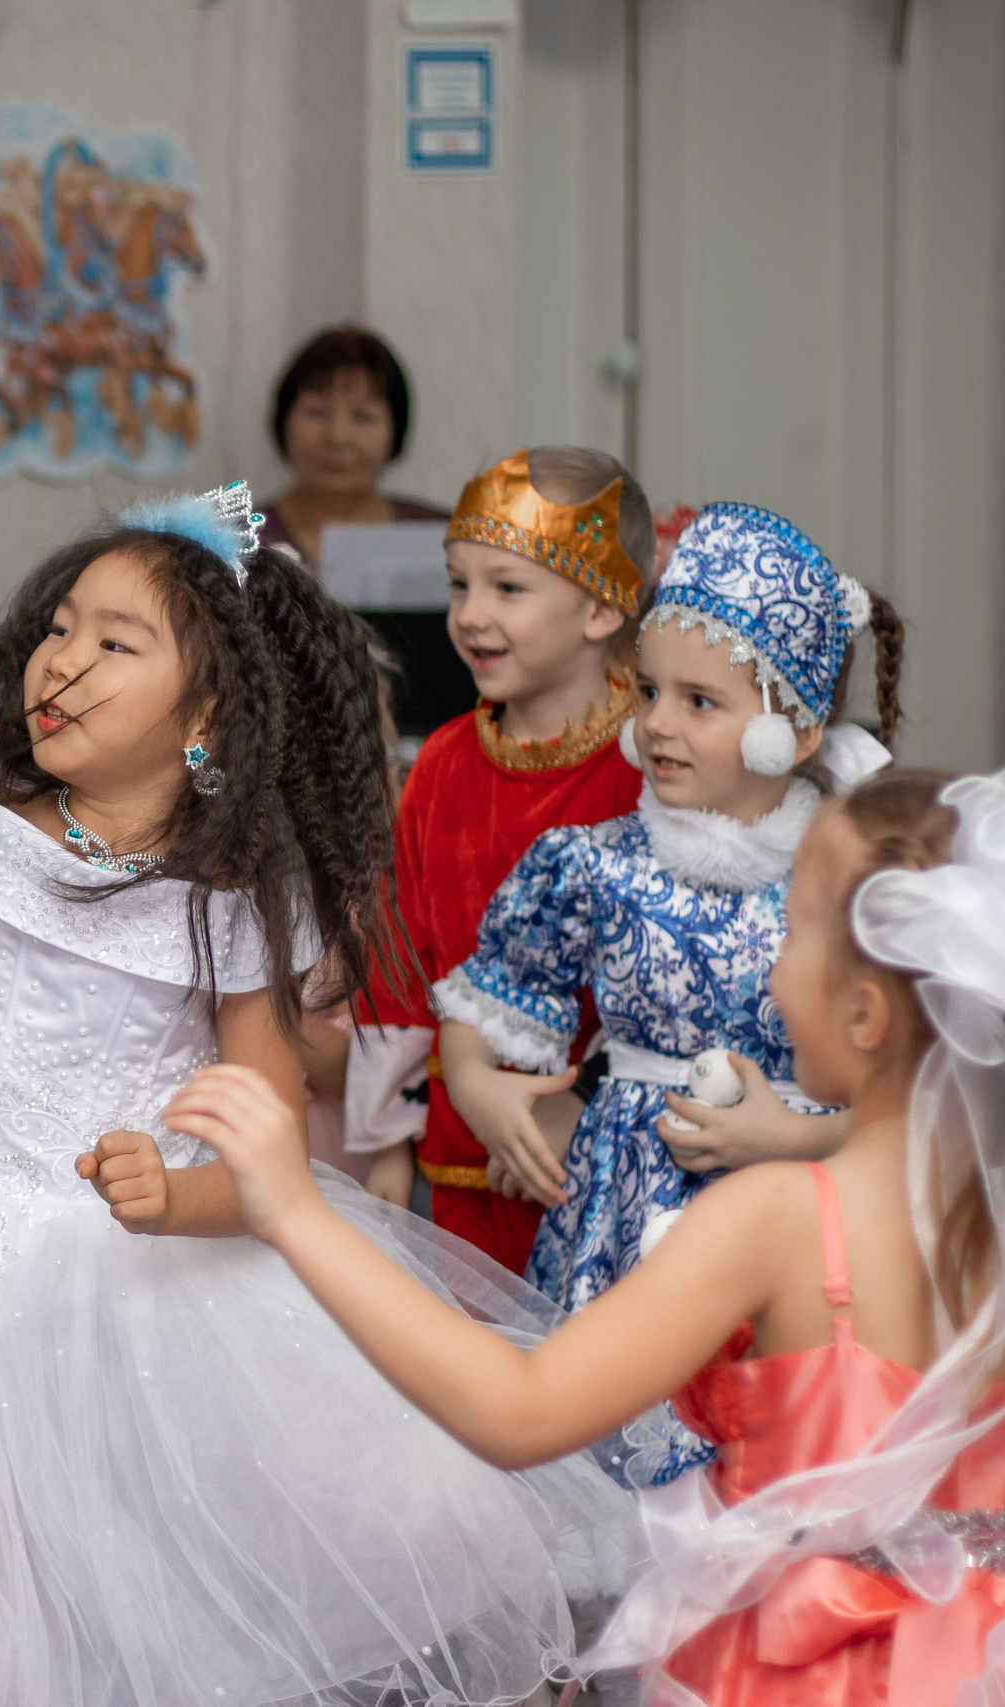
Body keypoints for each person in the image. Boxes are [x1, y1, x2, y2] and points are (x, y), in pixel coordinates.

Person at [0, 486, 639, 1707]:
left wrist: (176, 1197)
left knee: (195, 1564)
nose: (63, 657)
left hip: (134, 1269)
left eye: (116, 642)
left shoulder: (231, 894)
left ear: (204, 714)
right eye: (60, 626)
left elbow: (265, 1166)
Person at [179, 765, 1005, 1703]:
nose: (775, 957)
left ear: (864, 1013)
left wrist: (295, 1211)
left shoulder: (779, 1216)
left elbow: (521, 1409)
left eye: (796, 926)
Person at [435, 504, 906, 1481]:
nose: (654, 723)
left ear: (797, 729)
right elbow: (487, 1008)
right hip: (616, 1237)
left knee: (777, 1481)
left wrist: (793, 1137)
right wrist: (485, 1093)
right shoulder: (591, 866)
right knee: (611, 1494)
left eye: (701, 702)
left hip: (805, 1228)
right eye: (649, 690)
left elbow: (921, 1104)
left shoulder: (846, 882)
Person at [344, 447, 657, 1267]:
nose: (469, 614)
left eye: (507, 588)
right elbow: (402, 961)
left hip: (610, 1171)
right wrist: (385, 1140)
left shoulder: (652, 764)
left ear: (597, 611)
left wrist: (583, 1105)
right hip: (461, 1171)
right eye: (458, 584)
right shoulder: (442, 764)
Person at [257, 326, 464, 736]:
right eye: (316, 411)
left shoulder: (442, 538)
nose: (338, 437)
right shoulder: (237, 537)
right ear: (284, 420)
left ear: (395, 431)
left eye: (364, 417)